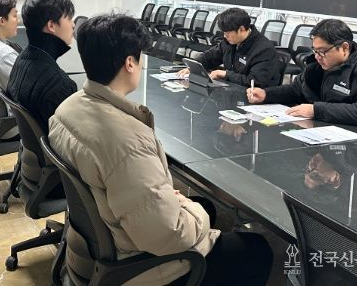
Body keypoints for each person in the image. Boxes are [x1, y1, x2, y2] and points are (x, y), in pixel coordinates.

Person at [49, 14, 273, 285]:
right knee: (257, 249)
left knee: (203, 206)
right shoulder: (129, 143)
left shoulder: (66, 109)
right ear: (130, 63)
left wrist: (174, 201)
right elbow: (171, 234)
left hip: (94, 243)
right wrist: (190, 208)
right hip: (137, 263)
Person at [247, 19, 357, 129]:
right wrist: (266, 94)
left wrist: (315, 110)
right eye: (315, 50)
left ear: (344, 48)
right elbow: (296, 90)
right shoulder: (317, 65)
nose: (317, 56)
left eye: (322, 51)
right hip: (326, 130)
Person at [6, 0, 77, 134]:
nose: (73, 25)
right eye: (69, 19)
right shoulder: (59, 84)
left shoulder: (22, 59)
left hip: (29, 145)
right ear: (51, 26)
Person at [179, 8, 280, 87]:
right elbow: (211, 56)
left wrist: (226, 74)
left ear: (241, 29)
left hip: (254, 98)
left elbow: (254, 82)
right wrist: (194, 67)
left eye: (227, 33)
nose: (224, 36)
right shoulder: (230, 41)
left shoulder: (264, 50)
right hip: (231, 89)